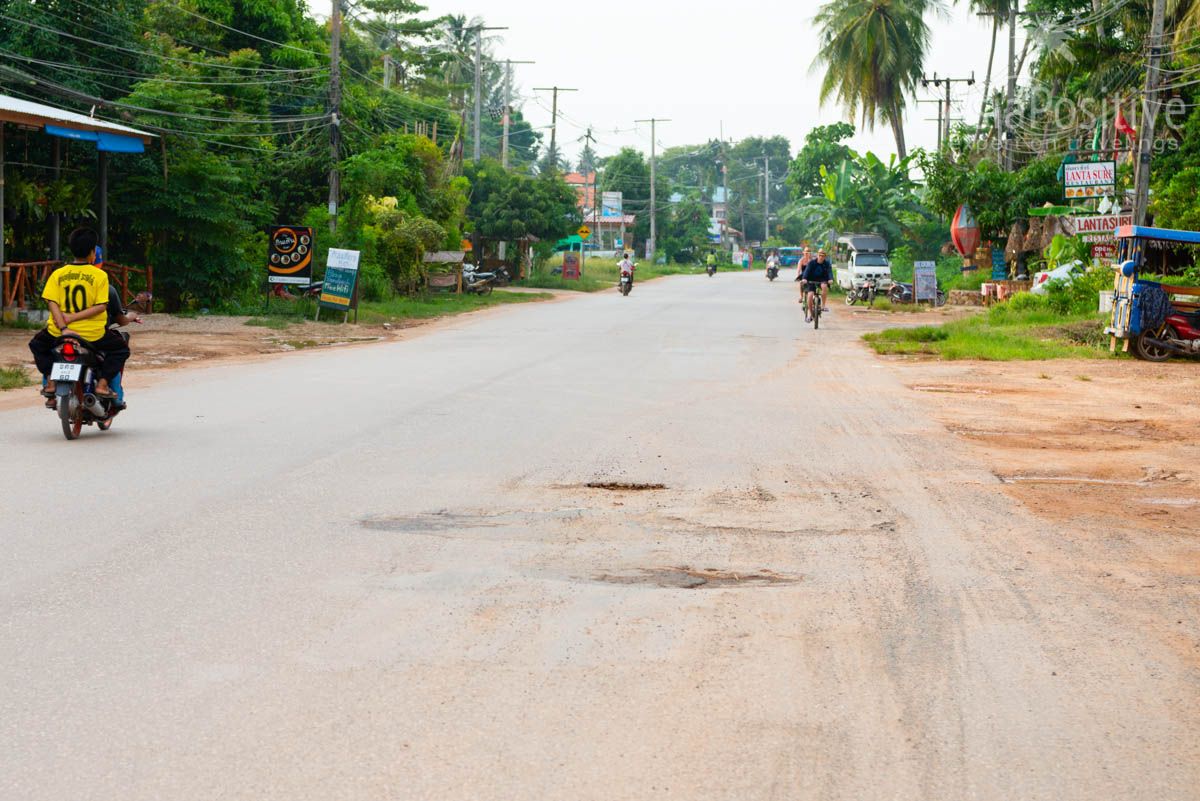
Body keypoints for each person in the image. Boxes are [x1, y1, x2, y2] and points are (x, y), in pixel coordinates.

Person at [28, 227, 129, 406]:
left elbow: (52, 304)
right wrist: (74, 318)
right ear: (92, 253)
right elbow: (100, 307)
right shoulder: (100, 276)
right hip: (92, 335)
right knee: (121, 350)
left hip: (59, 332)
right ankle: (103, 385)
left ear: (72, 250)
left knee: (37, 345)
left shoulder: (58, 274)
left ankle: (51, 381)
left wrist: (65, 326)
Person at [800, 248, 834, 323]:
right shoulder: (811, 263)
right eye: (820, 255)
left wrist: (831, 279)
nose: (821, 257)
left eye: (823, 256)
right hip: (811, 280)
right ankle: (811, 315)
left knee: (824, 287)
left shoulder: (827, 263)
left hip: (822, 279)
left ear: (825, 256)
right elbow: (807, 271)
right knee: (810, 295)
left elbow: (829, 272)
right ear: (817, 255)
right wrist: (805, 278)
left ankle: (823, 305)